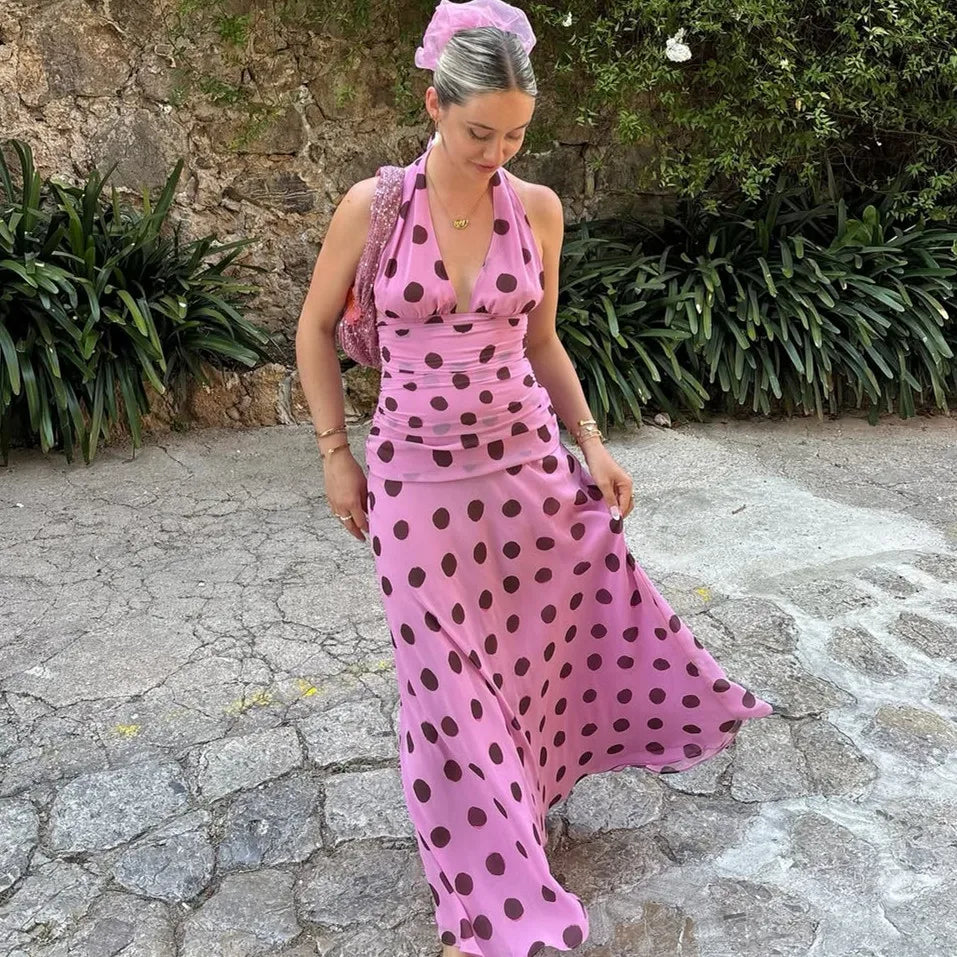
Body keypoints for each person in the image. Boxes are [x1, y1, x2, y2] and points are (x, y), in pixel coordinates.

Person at [295, 2, 775, 954]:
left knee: (527, 659)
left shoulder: (538, 209)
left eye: (515, 135)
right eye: (479, 131)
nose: (496, 152)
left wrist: (592, 443)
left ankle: (515, 814)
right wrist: (333, 453)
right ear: (434, 106)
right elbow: (313, 328)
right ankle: (487, 903)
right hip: (415, 482)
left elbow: (541, 341)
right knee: (444, 686)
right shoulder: (373, 205)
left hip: (527, 467)